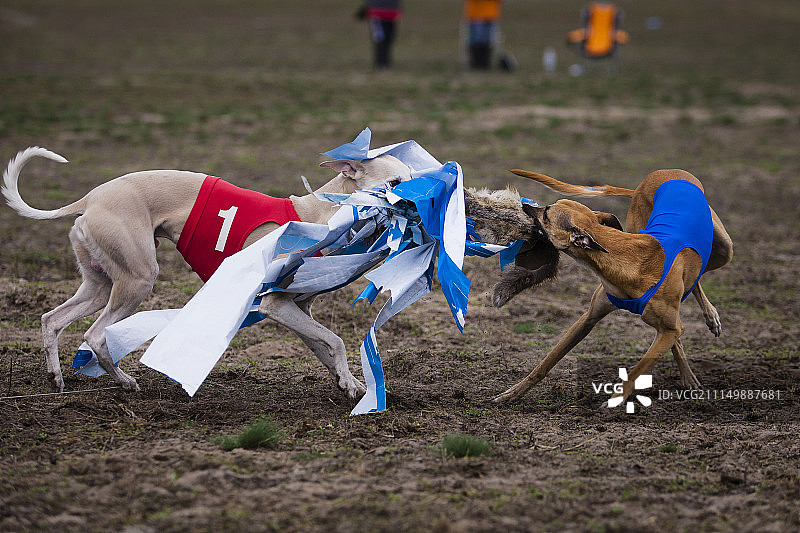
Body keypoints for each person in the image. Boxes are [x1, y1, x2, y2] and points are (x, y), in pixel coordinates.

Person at [358, 0, 403, 69]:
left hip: (392, 12)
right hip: (377, 12)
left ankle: (385, 62)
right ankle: (380, 63)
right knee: (380, 38)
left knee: (389, 38)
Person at [463, 0, 503, 69]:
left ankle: (485, 63)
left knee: (488, 41)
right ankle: (477, 63)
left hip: (491, 15)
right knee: (477, 40)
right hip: (476, 15)